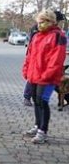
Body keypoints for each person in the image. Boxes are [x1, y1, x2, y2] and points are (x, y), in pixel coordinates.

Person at [23, 9, 67, 144]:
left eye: (42, 22)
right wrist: (26, 70)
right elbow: (30, 55)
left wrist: (46, 75)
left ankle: (43, 131)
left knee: (43, 101)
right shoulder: (36, 36)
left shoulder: (59, 36)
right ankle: (37, 126)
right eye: (38, 21)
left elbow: (57, 59)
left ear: (51, 22)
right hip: (34, 75)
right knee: (36, 100)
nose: (39, 24)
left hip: (48, 77)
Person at [23, 10, 67, 106]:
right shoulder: (38, 29)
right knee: (32, 79)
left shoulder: (57, 34)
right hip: (36, 56)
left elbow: (56, 58)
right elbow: (32, 45)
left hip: (44, 65)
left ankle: (66, 97)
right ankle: (27, 96)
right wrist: (27, 69)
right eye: (59, 21)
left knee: (48, 84)